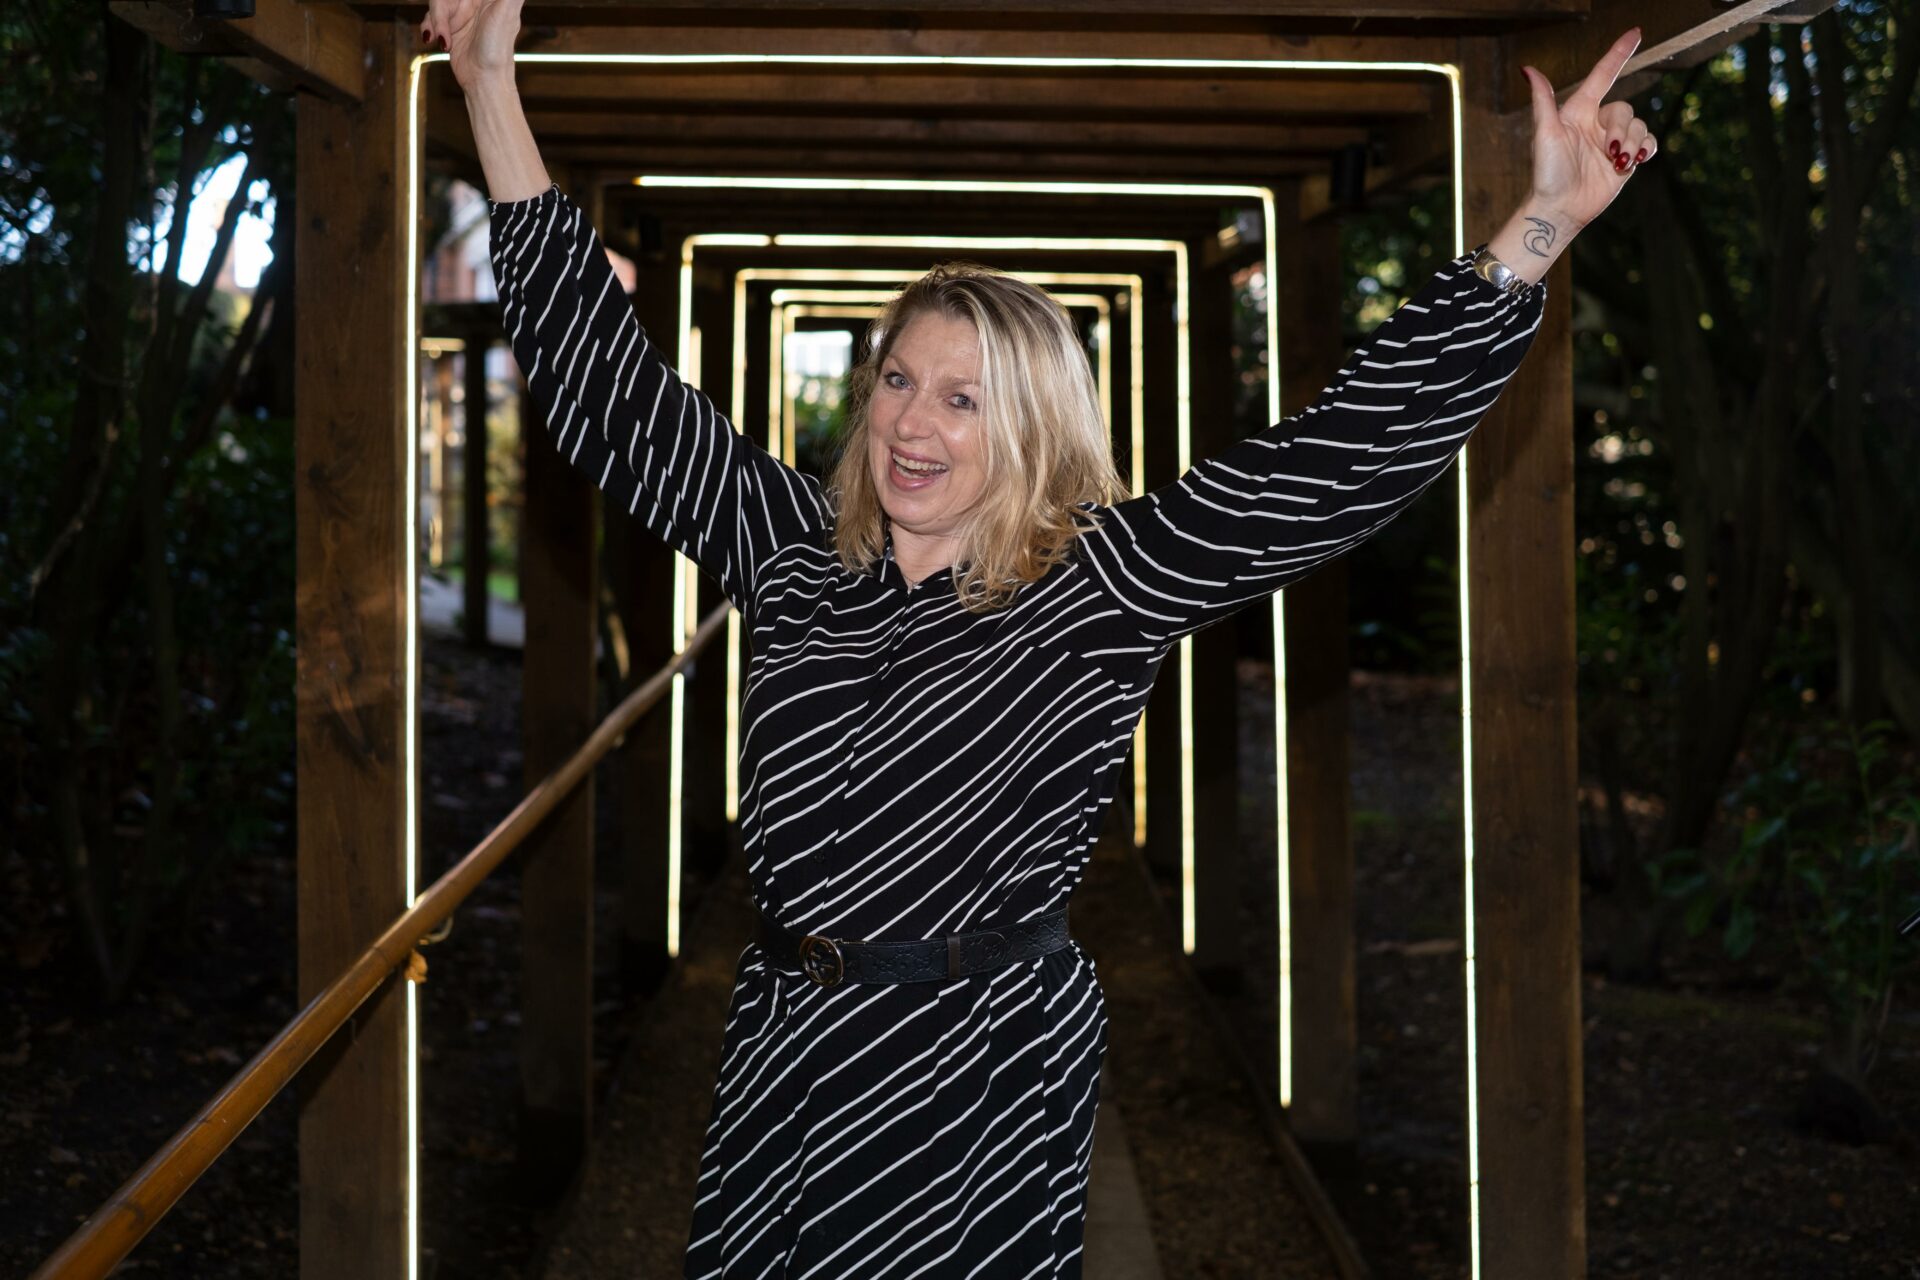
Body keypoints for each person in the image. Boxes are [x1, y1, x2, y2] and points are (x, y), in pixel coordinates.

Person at [425, 0, 1656, 1271]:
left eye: (964, 398)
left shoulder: (1098, 579)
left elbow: (1332, 464)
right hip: (784, 1041)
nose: (914, 423)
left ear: (1031, 426)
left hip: (971, 1067)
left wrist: (1540, 226)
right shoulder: (793, 546)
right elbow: (604, 386)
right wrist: (489, 85)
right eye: (899, 379)